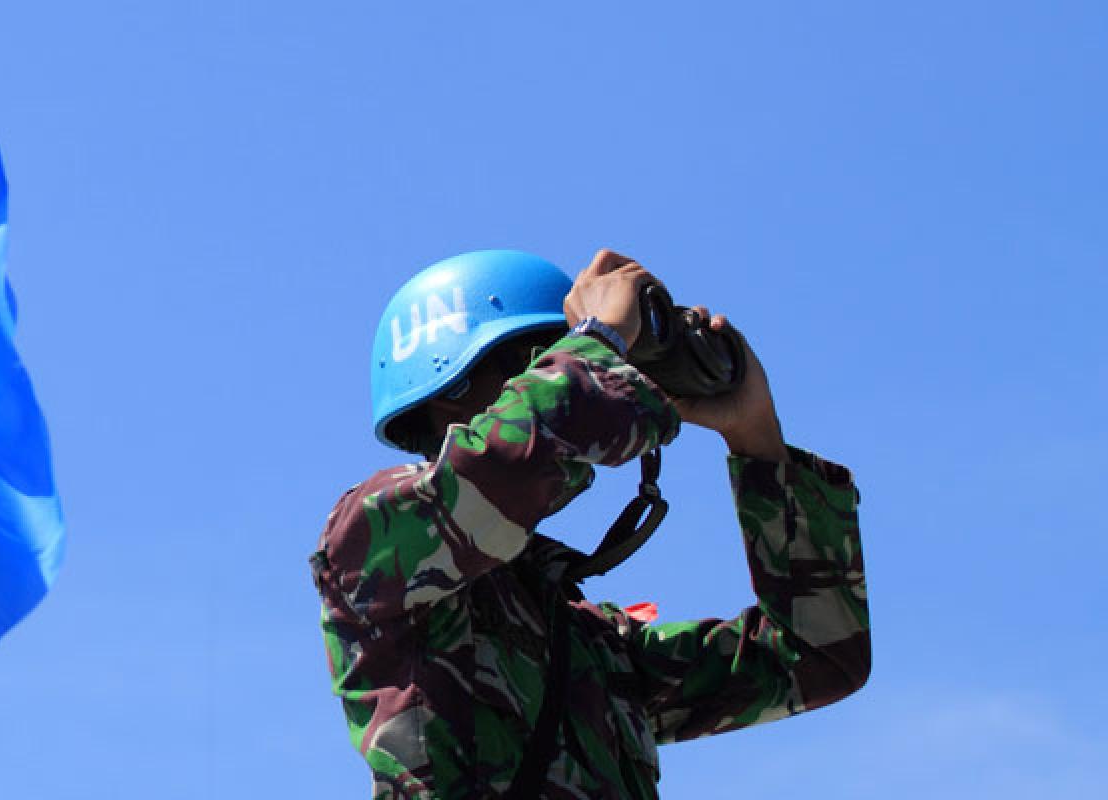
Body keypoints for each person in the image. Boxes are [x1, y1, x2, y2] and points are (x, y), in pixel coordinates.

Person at [312, 249, 869, 798]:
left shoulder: (592, 647)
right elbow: (496, 476)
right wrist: (600, 337)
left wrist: (754, 435)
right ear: (448, 398)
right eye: (542, 358)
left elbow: (816, 654)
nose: (580, 364)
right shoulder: (372, 539)